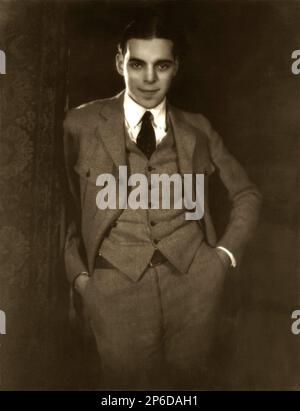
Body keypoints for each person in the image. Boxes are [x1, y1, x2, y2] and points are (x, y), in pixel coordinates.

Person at [63, 14, 261, 390]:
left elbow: (247, 194)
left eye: (162, 65)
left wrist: (221, 259)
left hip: (194, 287)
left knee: (189, 390)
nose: (149, 78)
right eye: (137, 64)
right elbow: (61, 210)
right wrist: (82, 280)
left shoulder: (198, 128)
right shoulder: (79, 125)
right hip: (114, 289)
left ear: (176, 68)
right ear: (120, 61)